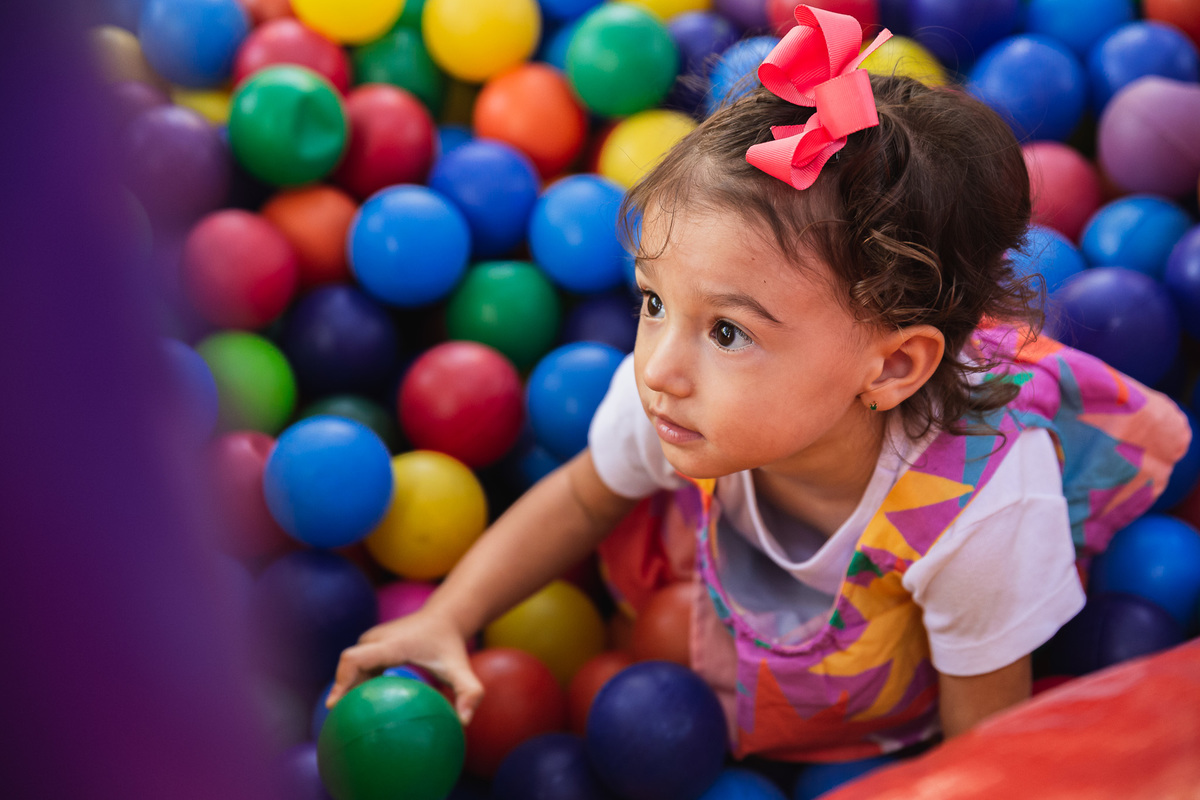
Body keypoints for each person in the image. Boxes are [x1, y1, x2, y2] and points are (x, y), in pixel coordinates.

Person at [326, 6, 1189, 760]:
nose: (658, 366)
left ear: (892, 366)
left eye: (728, 332)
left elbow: (983, 746)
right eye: (654, 301)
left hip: (882, 715)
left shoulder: (984, 512)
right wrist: (448, 616)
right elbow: (584, 499)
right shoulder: (679, 390)